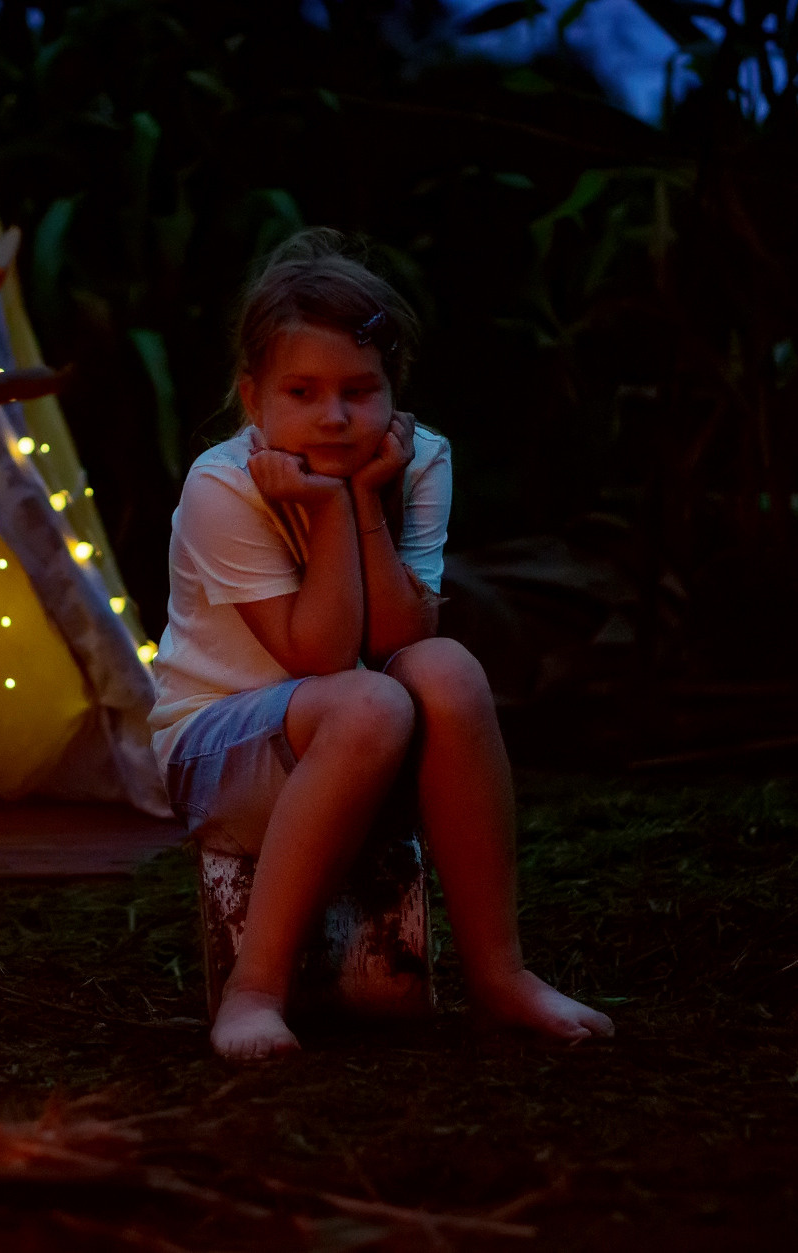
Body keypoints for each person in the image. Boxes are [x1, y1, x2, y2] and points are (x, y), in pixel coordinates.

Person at [149, 229, 616, 1061]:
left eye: (359, 391)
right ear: (253, 397)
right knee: (369, 700)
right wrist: (326, 511)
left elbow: (407, 635)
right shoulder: (223, 484)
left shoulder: (418, 458)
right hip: (219, 755)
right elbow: (320, 657)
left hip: (358, 738)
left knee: (447, 668)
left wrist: (362, 501)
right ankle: (254, 990)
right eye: (303, 390)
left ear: (392, 391)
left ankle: (500, 974)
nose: (334, 415)